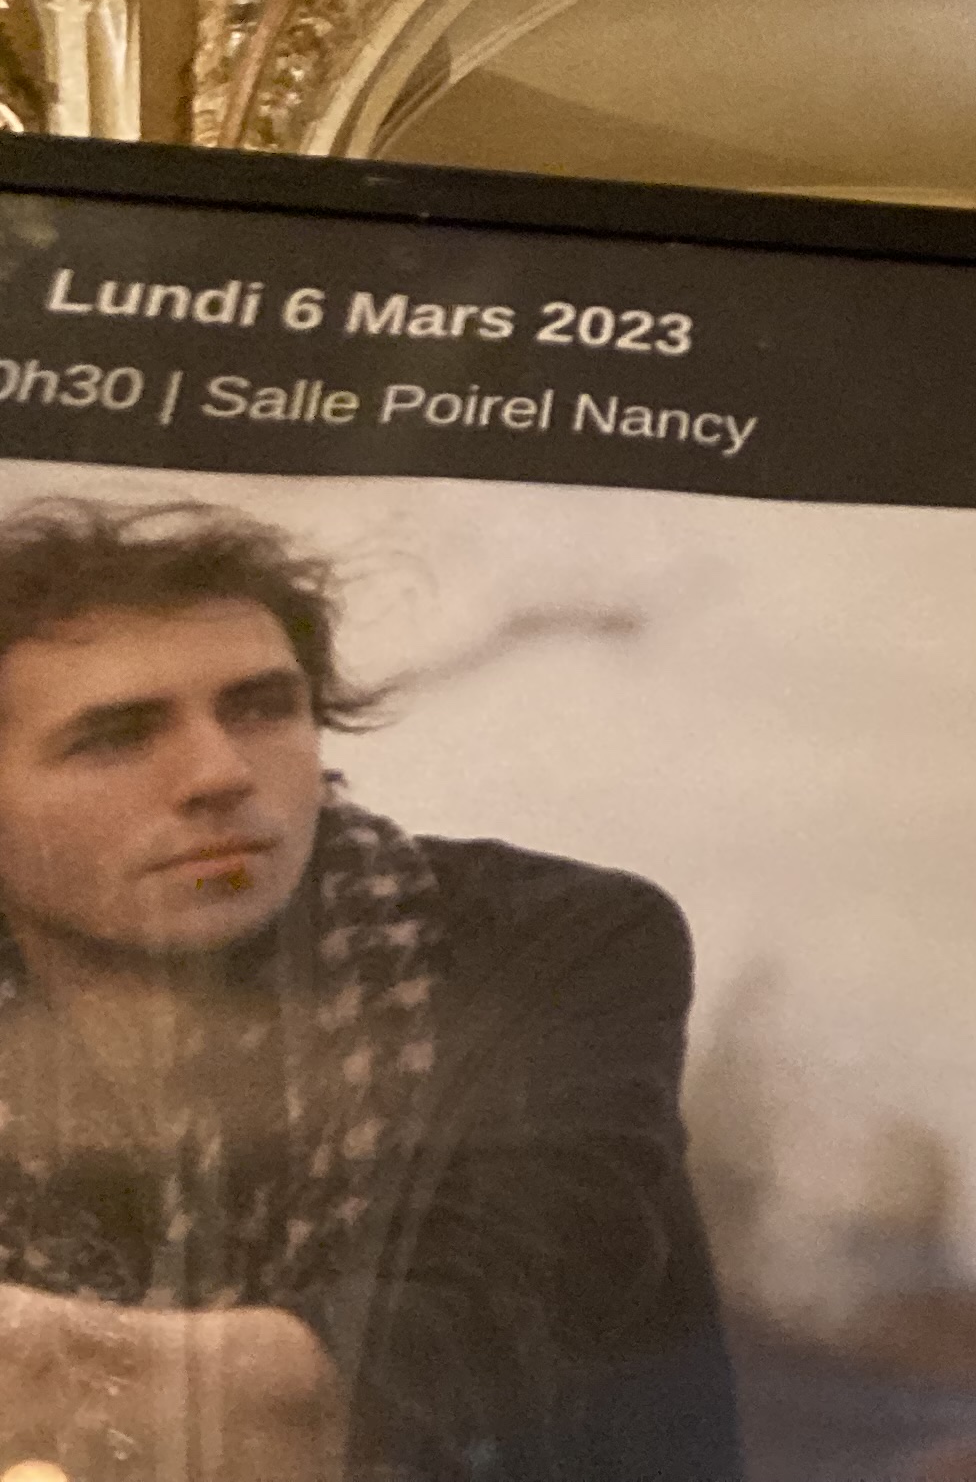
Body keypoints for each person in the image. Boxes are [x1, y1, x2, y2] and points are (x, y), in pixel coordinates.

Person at [0, 496, 739, 1480]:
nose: (220, 773)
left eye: (263, 707)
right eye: (117, 736)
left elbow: (476, 1347)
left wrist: (50, 1362)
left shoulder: (544, 941)